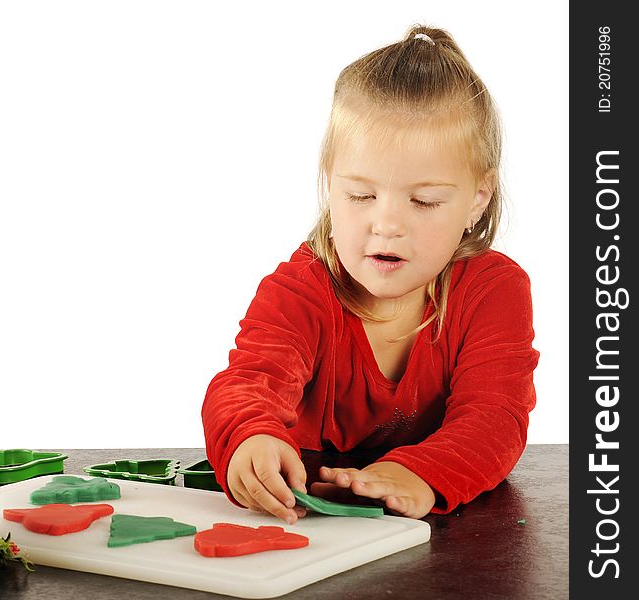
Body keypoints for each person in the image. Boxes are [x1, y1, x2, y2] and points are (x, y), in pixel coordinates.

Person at [201, 24, 540, 523]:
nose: (387, 224)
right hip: (306, 533)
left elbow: (494, 420)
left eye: (423, 200)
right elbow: (248, 383)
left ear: (478, 198)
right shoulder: (299, 291)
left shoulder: (495, 291)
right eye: (361, 195)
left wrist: (422, 472)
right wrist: (251, 435)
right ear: (330, 184)